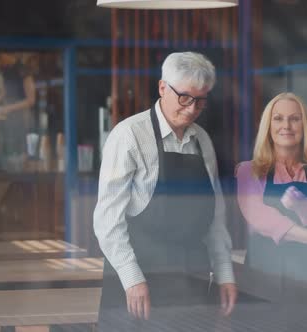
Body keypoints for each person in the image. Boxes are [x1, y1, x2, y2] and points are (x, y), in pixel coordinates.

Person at [94, 52, 237, 331]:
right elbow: (107, 221)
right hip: (138, 284)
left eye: (201, 100)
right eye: (185, 97)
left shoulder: (202, 140)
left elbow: (215, 219)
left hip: (191, 283)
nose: (192, 108)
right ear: (162, 88)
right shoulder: (130, 136)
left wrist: (224, 273)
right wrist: (132, 278)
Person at [235, 92, 307, 330]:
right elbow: (262, 218)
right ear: (268, 125)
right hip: (264, 280)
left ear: (305, 125)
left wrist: (301, 204)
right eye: (278, 118)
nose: (286, 126)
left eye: (294, 118)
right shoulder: (248, 171)